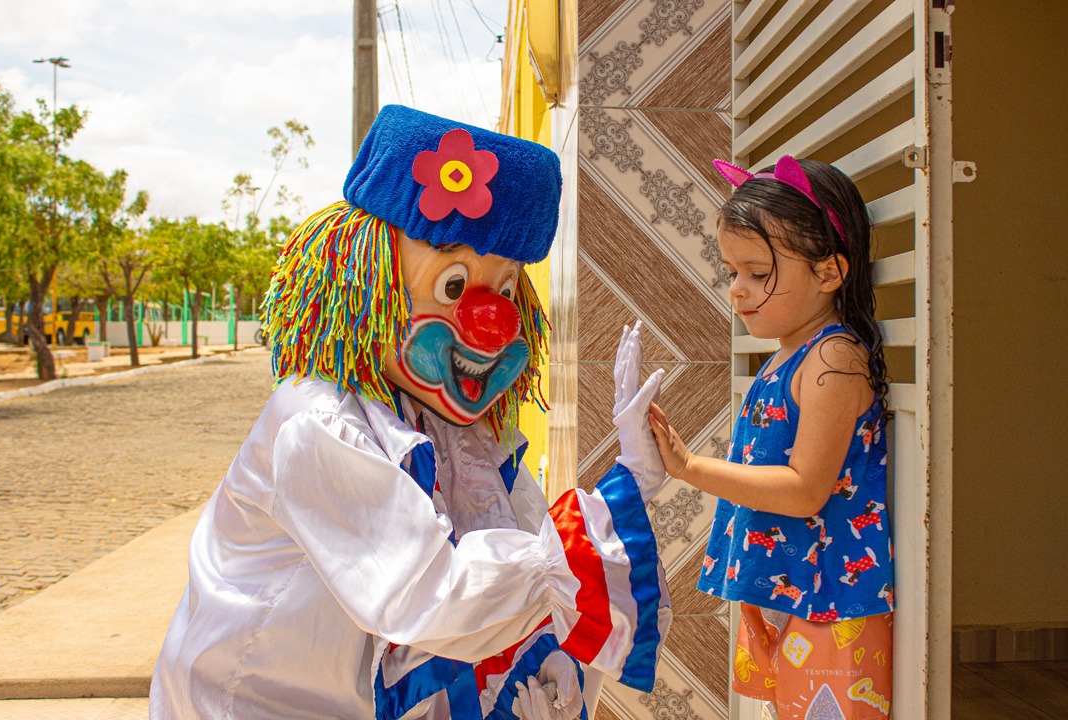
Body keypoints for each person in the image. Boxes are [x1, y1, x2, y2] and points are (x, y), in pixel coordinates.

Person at [150, 105, 670, 720]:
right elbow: (428, 596)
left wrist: (555, 635)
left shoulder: (455, 430)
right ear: (363, 276)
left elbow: (517, 539)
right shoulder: (319, 425)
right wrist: (600, 524)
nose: (493, 323)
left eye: (505, 289)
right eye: (454, 286)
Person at [648, 156, 894, 720]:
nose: (738, 290)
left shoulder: (833, 358)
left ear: (829, 273)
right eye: (732, 271)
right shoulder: (790, 355)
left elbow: (805, 489)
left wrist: (688, 466)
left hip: (831, 602)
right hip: (792, 591)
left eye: (758, 274)